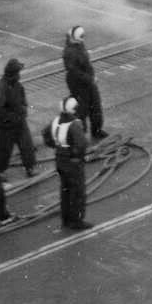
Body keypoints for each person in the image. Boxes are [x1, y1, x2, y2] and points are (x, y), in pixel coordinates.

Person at [48, 97, 93, 230]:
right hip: (72, 162)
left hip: (60, 159)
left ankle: (66, 218)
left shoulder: (56, 120)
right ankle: (76, 221)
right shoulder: (74, 124)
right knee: (77, 192)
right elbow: (82, 144)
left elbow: (47, 136)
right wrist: (77, 155)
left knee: (65, 190)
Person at [0, 57, 36, 178]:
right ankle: (0, 171)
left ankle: (29, 167)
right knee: (4, 149)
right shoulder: (0, 87)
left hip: (19, 122)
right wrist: (13, 117)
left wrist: (23, 109)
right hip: (6, 125)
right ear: (13, 73)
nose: (19, 75)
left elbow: (23, 100)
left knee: (27, 145)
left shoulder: (18, 85)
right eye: (18, 72)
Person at [62, 26, 107, 140]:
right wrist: (90, 79)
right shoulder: (69, 52)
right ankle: (80, 134)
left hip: (88, 82)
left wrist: (92, 76)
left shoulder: (79, 45)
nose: (83, 39)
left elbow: (86, 63)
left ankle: (96, 130)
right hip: (77, 84)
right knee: (82, 109)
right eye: (81, 37)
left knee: (96, 106)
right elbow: (74, 71)